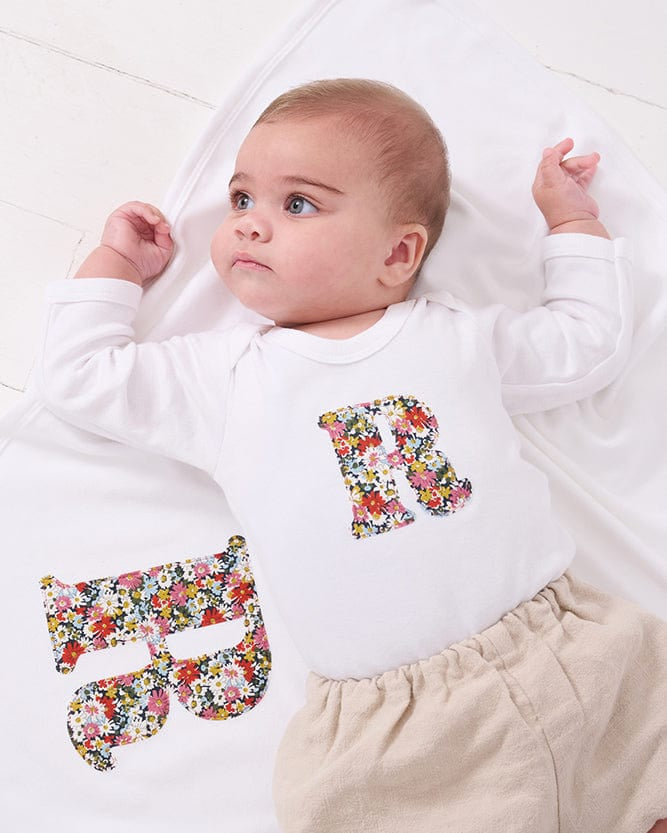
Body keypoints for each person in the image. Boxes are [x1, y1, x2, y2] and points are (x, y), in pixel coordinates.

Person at [33, 79, 666, 832]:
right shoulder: (222, 379)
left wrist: (571, 221)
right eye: (240, 199)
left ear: (399, 252)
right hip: (398, 732)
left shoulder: (457, 336)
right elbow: (80, 378)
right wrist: (115, 266)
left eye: (295, 204)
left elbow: (582, 343)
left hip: (564, 648)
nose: (249, 227)